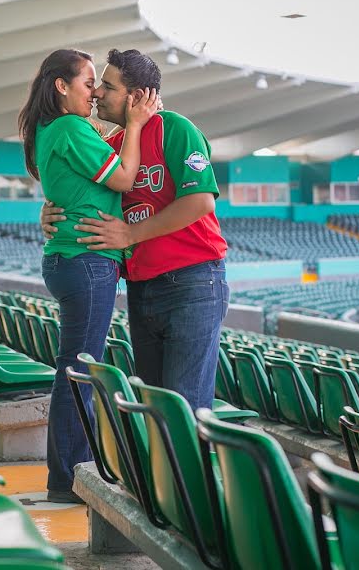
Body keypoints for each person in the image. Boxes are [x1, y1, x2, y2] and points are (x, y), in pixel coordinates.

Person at [42, 48, 228, 412]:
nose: (96, 94)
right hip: (141, 287)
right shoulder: (110, 147)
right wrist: (47, 211)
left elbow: (201, 201)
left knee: (184, 409)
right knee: (155, 407)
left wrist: (129, 235)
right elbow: (78, 189)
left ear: (137, 96)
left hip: (194, 283)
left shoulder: (174, 128)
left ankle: (187, 473)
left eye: (107, 87)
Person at [18, 48, 158, 504]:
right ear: (62, 86)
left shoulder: (52, 127)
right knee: (79, 372)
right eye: (87, 82)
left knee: (74, 369)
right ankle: (71, 479)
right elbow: (123, 179)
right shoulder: (71, 127)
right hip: (86, 261)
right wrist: (135, 125)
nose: (94, 91)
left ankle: (69, 474)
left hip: (69, 259)